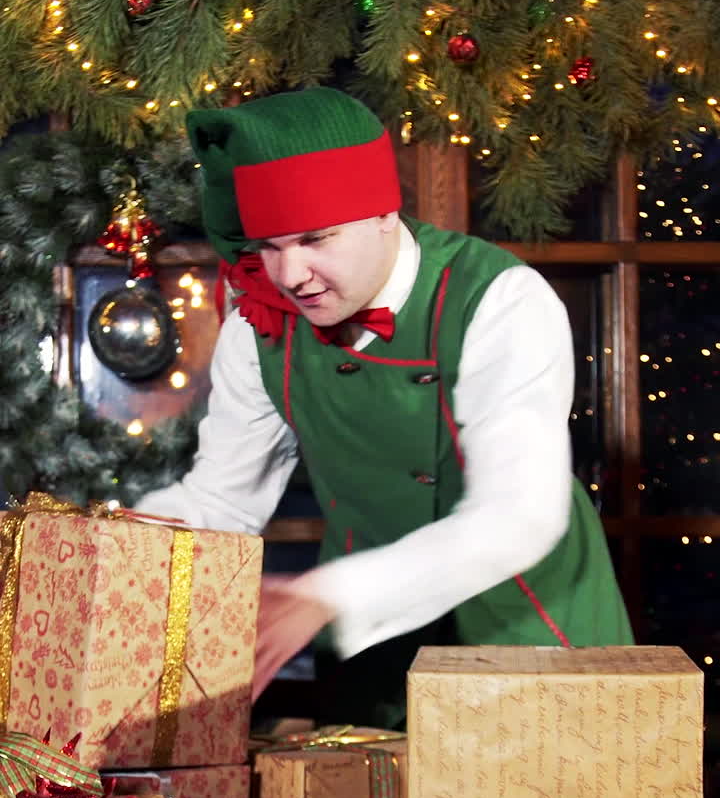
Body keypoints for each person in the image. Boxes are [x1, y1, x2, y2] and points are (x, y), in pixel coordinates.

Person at [136, 86, 632, 728]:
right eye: (269, 245)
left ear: (381, 213)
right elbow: (225, 501)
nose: (290, 275)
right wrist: (117, 544)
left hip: (532, 623)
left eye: (316, 238)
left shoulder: (502, 298)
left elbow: (519, 516)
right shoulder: (254, 327)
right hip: (370, 650)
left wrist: (326, 595)